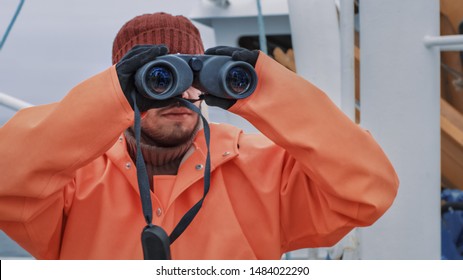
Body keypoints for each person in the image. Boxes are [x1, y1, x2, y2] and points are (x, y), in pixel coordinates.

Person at [0, 12, 399, 260]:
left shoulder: (265, 170)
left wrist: (266, 90)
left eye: (191, 76)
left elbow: (369, 190)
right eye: (159, 79)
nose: (179, 93)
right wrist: (104, 102)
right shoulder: (72, 179)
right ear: (123, 89)